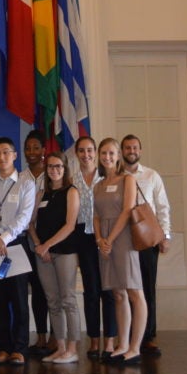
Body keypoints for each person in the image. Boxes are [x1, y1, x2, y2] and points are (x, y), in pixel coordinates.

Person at [0, 137, 36, 366]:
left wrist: (4, 238)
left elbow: (25, 217)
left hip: (15, 246)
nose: (1, 157)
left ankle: (20, 349)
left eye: (5, 152)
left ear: (14, 155)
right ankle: (4, 347)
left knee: (19, 300)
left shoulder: (25, 184)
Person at [93, 137, 146, 365]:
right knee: (118, 293)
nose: (107, 157)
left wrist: (110, 239)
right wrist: (99, 239)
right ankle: (122, 344)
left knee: (134, 291)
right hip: (104, 240)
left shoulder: (128, 179)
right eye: (103, 153)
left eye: (111, 153)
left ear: (118, 155)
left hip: (122, 238)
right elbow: (95, 215)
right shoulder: (98, 185)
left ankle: (135, 347)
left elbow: (126, 211)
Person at [121, 134, 171, 357]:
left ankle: (148, 336)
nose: (131, 151)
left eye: (135, 148)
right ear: (122, 151)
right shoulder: (114, 176)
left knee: (147, 288)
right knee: (125, 289)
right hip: (123, 238)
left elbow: (162, 207)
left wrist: (165, 236)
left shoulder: (152, 176)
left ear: (140, 151)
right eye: (127, 148)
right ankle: (127, 336)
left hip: (147, 238)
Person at [30, 152, 81, 364]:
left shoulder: (71, 191)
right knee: (52, 301)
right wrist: (39, 246)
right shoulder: (41, 193)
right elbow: (30, 224)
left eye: (58, 166)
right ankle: (60, 347)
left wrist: (47, 245)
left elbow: (70, 224)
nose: (54, 170)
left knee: (68, 299)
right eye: (50, 167)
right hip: (44, 255)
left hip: (65, 252)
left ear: (65, 168)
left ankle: (72, 348)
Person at [69, 135, 116, 360]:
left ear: (95, 153)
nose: (86, 155)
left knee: (109, 290)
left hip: (106, 237)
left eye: (90, 151)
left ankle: (110, 341)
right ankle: (94, 341)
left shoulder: (107, 178)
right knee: (91, 291)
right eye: (82, 151)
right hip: (83, 237)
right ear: (76, 154)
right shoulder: (72, 180)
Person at [22, 130, 53, 355]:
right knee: (36, 292)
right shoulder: (20, 178)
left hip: (49, 242)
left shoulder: (52, 176)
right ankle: (40, 336)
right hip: (26, 242)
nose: (32, 152)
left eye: (36, 148)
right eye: (28, 148)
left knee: (51, 291)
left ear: (44, 150)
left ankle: (55, 336)